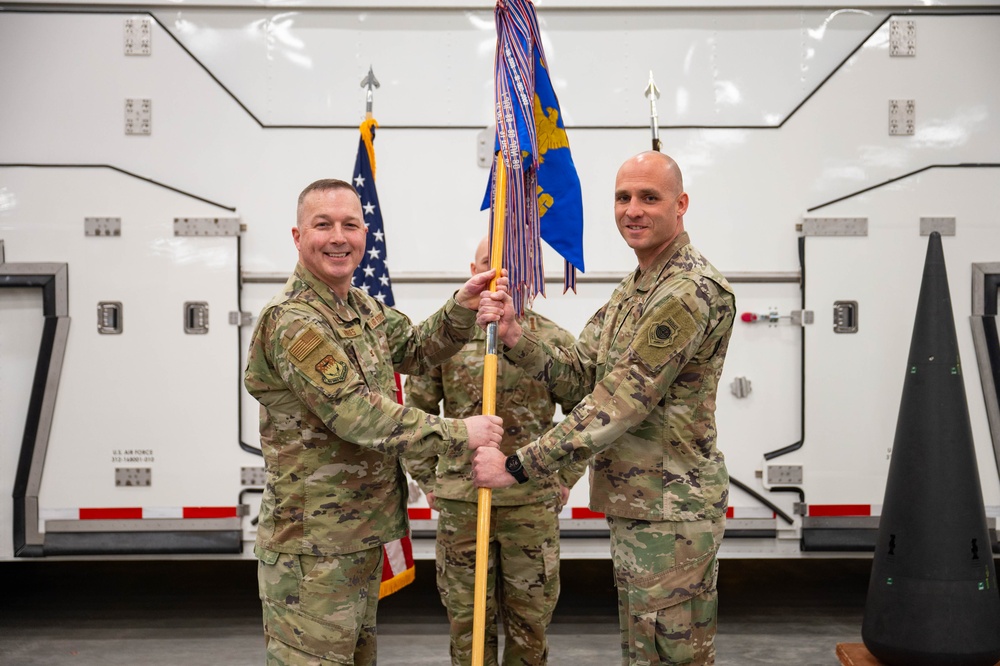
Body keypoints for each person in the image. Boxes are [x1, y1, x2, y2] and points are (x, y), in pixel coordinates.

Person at [473, 151, 736, 665]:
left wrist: (518, 466)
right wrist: (515, 337)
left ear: (680, 205)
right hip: (640, 507)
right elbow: (580, 376)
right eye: (623, 197)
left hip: (670, 514)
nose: (632, 210)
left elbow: (619, 402)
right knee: (644, 652)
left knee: (669, 656)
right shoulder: (635, 288)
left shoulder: (686, 290)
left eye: (648, 197)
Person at [244, 178, 505, 666]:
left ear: (365, 234)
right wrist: (456, 432)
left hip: (355, 539)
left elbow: (418, 348)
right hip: (313, 550)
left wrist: (463, 306)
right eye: (323, 225)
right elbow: (355, 411)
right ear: (298, 238)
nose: (339, 237)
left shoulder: (361, 309)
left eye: (350, 225)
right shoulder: (294, 321)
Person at [403, 237, 587, 666]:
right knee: (468, 626)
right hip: (463, 507)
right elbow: (415, 414)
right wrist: (430, 480)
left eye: (512, 264)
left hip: (530, 506)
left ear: (529, 270)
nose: (501, 273)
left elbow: (588, 414)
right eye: (490, 263)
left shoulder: (553, 341)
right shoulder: (445, 341)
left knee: (530, 624)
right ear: (474, 267)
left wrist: (564, 478)